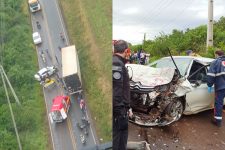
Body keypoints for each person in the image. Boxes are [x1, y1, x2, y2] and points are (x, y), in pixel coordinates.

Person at [113, 40, 132, 150]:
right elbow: (116, 92)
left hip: (119, 110)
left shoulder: (117, 62)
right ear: (126, 51)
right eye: (128, 52)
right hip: (119, 112)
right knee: (119, 139)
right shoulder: (117, 63)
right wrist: (121, 113)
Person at [207, 50, 225, 127]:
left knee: (218, 103)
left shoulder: (215, 62)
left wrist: (209, 85)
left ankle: (218, 121)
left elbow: (211, 75)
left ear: (217, 55)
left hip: (221, 87)